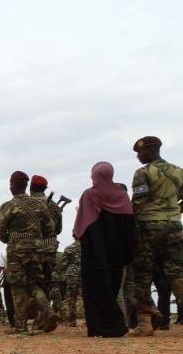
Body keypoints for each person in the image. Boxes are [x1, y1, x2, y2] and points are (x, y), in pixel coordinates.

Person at [129, 136, 183, 335]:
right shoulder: (178, 171)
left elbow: (138, 203)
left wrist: (130, 227)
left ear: (151, 151)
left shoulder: (143, 173)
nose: (138, 156)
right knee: (177, 273)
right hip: (175, 226)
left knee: (143, 274)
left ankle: (144, 324)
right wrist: (174, 211)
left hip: (149, 227)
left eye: (140, 152)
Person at [73, 163, 134, 337]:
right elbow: (129, 227)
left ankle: (100, 327)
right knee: (113, 288)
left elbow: (82, 227)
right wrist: (128, 255)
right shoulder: (122, 196)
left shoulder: (89, 195)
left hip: (94, 253)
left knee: (96, 289)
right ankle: (116, 325)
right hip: (118, 253)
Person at [0, 171, 57, 334]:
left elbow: (0, 230)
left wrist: (12, 238)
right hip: (37, 249)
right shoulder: (39, 205)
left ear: (12, 186)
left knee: (17, 284)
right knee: (33, 282)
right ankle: (47, 309)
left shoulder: (9, 205)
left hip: (17, 249)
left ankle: (20, 325)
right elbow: (49, 228)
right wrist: (35, 238)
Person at [30, 174, 64, 317]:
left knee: (32, 280)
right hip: (50, 246)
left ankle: (40, 313)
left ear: (31, 188)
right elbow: (58, 230)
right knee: (47, 280)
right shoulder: (54, 205)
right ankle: (46, 313)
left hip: (32, 246)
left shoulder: (27, 204)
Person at [60, 240, 82, 327]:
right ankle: (91, 320)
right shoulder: (88, 248)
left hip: (72, 274)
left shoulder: (69, 248)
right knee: (88, 296)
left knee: (72, 297)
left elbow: (64, 264)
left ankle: (72, 320)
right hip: (85, 273)